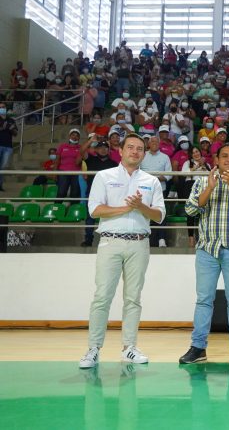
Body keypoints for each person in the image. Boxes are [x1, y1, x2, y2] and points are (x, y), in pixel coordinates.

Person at [78, 134, 166, 369]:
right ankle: (93, 349)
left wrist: (141, 207)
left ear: (144, 154)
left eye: (140, 149)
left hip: (139, 243)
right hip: (110, 241)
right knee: (102, 297)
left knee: (133, 299)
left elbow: (159, 216)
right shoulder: (103, 176)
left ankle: (129, 348)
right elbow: (94, 209)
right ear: (120, 151)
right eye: (131, 147)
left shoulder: (151, 181)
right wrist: (126, 208)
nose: (135, 152)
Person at [178, 143, 229, 364]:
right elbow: (190, 209)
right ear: (216, 159)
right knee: (204, 300)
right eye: (224, 156)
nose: (228, 160)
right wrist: (210, 188)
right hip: (207, 250)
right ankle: (198, 348)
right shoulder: (202, 182)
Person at [81, 142, 118, 247]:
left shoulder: (114, 164)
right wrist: (90, 140)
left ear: (109, 150)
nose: (103, 149)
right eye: (100, 148)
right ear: (96, 149)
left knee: (109, 218)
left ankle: (109, 240)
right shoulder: (91, 159)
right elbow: (82, 151)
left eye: (105, 147)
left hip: (109, 195)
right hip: (93, 194)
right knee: (90, 217)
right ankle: (88, 240)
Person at [140, 136, 172, 248]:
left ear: (159, 144)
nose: (154, 143)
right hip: (143, 190)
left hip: (160, 190)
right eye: (152, 141)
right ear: (148, 143)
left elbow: (169, 175)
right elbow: (137, 172)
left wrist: (153, 179)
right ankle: (144, 239)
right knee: (144, 214)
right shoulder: (142, 156)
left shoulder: (165, 157)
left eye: (156, 141)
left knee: (160, 214)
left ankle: (161, 240)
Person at [0, 103, 18, 191]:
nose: (2, 108)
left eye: (3, 107)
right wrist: (6, 127)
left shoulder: (11, 120)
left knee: (3, 167)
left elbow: (15, 133)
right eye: (0, 107)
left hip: (8, 147)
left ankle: (0, 185)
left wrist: (10, 128)